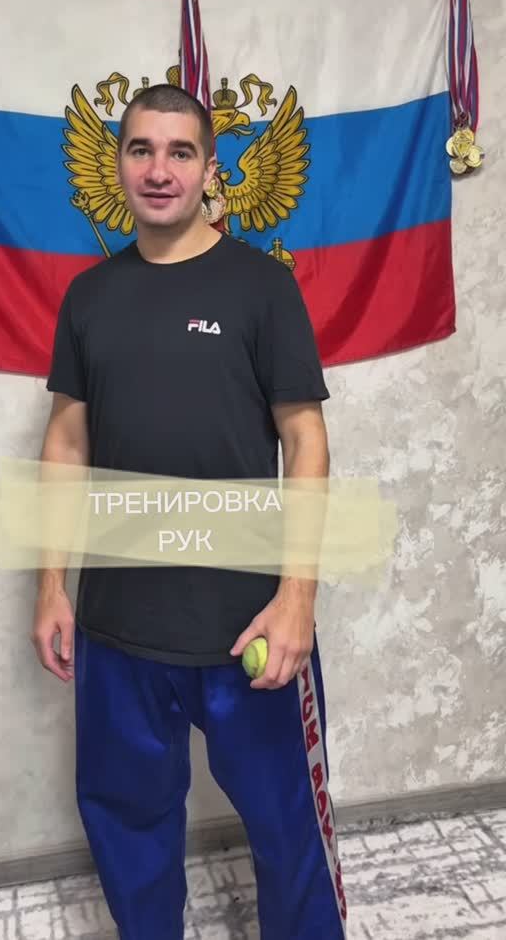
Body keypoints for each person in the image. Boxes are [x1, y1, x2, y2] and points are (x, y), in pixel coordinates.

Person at [32, 84, 347, 939]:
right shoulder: (88, 296)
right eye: (141, 149)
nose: (159, 169)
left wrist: (298, 598)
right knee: (125, 822)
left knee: (288, 825)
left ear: (211, 170)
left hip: (246, 621)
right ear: (118, 164)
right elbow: (66, 443)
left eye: (180, 152)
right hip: (119, 625)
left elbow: (305, 441)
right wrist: (53, 586)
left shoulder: (262, 286)